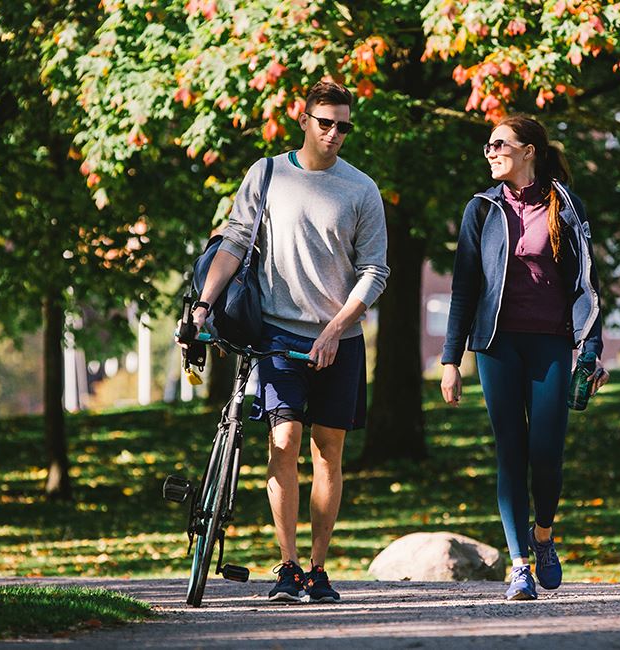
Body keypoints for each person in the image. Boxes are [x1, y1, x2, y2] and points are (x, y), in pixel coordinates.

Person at [190, 80, 389, 604]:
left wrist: (336, 328)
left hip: (339, 338)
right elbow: (234, 242)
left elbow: (374, 271)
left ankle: (318, 571)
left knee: (330, 453)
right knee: (283, 444)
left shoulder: (361, 190)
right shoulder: (268, 173)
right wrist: (204, 304)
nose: (334, 133)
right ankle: (287, 565)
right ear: (304, 120)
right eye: (325, 122)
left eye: (344, 125)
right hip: (278, 333)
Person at [440, 115, 610, 600]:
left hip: (551, 343)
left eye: (499, 144)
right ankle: (518, 565)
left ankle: (543, 535)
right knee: (511, 451)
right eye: (488, 145)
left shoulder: (566, 205)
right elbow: (464, 288)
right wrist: (451, 359)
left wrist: (590, 348)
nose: (490, 152)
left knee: (547, 454)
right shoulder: (481, 209)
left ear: (529, 150)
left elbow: (588, 284)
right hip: (496, 345)